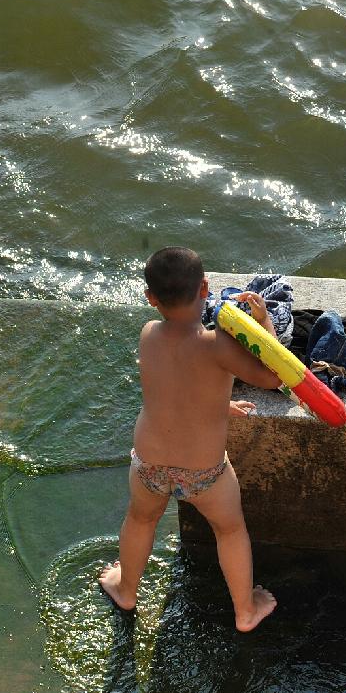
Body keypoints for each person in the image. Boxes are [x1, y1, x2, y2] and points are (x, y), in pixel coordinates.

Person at [99, 247, 281, 631]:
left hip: (148, 463)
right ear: (205, 288)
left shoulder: (148, 334)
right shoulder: (218, 344)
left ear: (151, 299)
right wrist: (263, 322)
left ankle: (126, 589)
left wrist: (219, 403)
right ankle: (245, 610)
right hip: (204, 473)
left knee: (140, 519)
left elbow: (173, 388)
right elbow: (274, 375)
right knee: (229, 530)